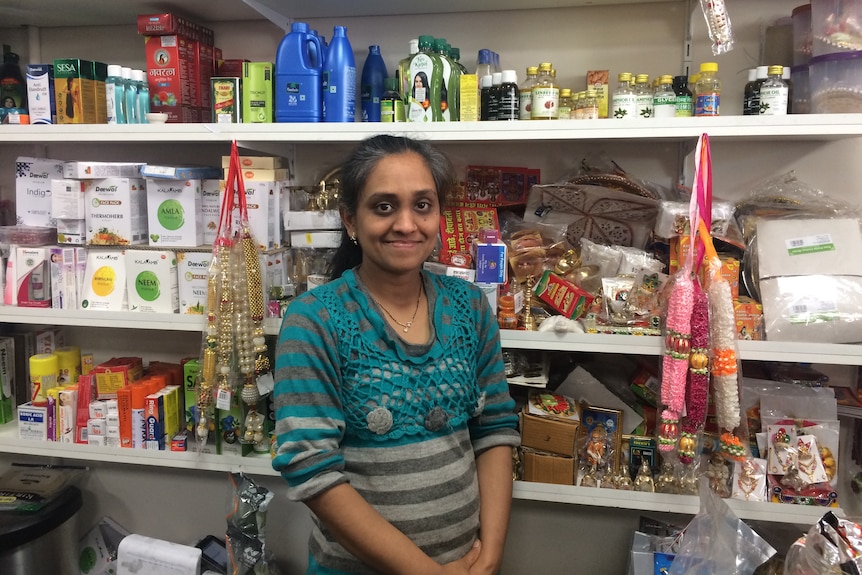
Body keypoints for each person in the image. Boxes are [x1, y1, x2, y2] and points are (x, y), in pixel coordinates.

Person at [272, 134, 520, 575]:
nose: (406, 224)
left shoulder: (469, 307)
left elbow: (495, 430)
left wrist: (492, 552)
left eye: (422, 205)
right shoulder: (315, 320)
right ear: (350, 220)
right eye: (384, 207)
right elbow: (311, 467)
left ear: (439, 214)